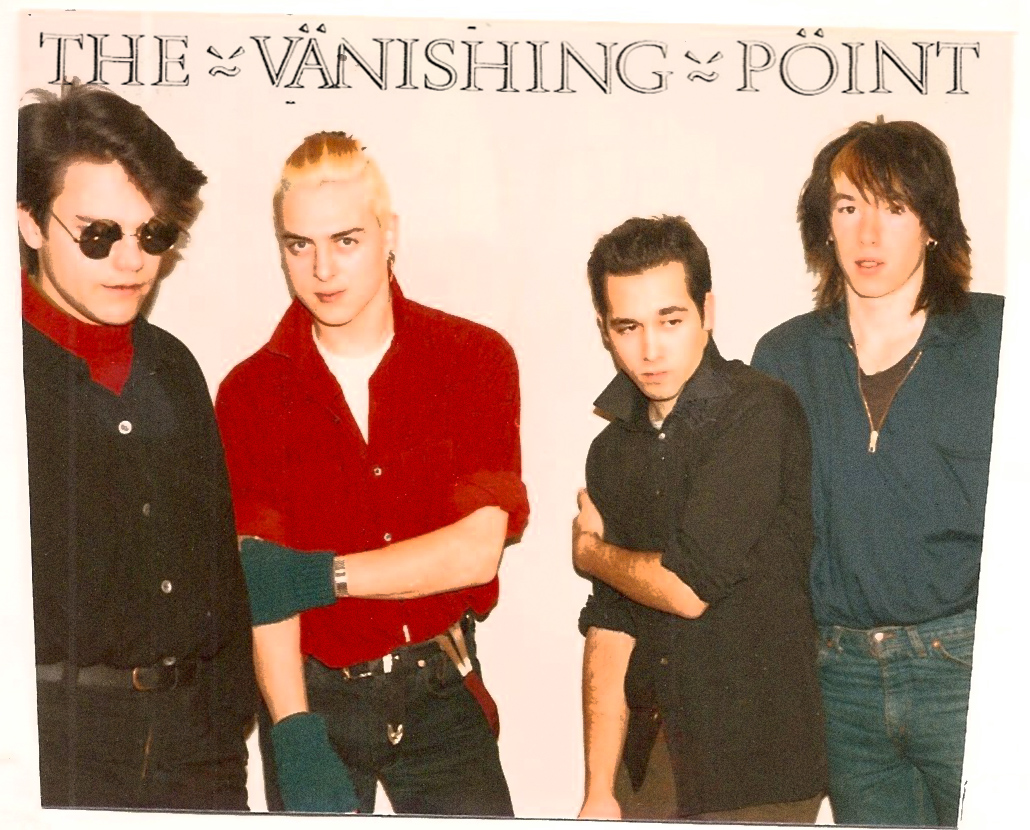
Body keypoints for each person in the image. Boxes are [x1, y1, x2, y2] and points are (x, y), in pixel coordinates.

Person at [214, 131, 529, 816]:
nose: (323, 268)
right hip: (314, 695)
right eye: (299, 244)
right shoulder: (249, 393)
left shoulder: (473, 358)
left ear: (390, 233)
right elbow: (264, 582)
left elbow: (475, 552)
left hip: (442, 683)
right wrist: (293, 729)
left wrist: (317, 577)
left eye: (346, 240)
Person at [751, 117, 1004, 827]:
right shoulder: (783, 358)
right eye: (847, 206)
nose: (868, 233)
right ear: (824, 224)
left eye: (894, 207)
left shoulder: (1000, 339)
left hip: (967, 666)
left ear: (932, 225)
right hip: (841, 681)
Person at [18, 82, 254, 810]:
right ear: (29, 223)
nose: (131, 262)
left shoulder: (174, 366)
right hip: (55, 749)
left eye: (153, 235)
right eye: (99, 235)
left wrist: (225, 729)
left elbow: (219, 570)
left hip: (197, 751)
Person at [572, 215, 827, 822]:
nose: (650, 350)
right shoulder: (610, 450)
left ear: (707, 311)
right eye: (628, 327)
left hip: (758, 767)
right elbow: (610, 626)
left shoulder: (759, 411)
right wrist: (598, 789)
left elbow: (687, 589)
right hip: (650, 764)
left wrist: (591, 553)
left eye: (671, 320)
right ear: (605, 330)